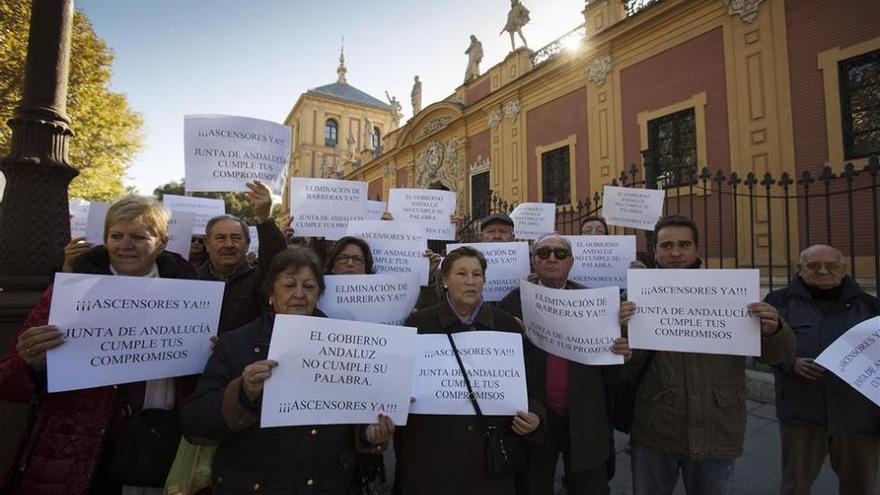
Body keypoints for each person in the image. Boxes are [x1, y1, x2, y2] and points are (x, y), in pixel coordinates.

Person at [0, 196, 199, 495]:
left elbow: (197, 382)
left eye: (138, 237)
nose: (124, 245)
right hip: (74, 446)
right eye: (116, 236)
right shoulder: (69, 290)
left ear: (161, 241)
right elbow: (8, 382)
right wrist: (29, 363)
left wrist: (207, 352)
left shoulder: (191, 296)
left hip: (157, 444)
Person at [181, 247, 393, 494]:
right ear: (271, 292)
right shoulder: (236, 344)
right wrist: (243, 392)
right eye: (289, 285)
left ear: (319, 294)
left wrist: (368, 433)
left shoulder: (344, 342)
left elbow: (354, 411)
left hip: (328, 484)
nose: (299, 294)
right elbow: (194, 424)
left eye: (309, 286)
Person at [621, 215, 795, 495]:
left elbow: (777, 356)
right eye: (666, 246)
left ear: (697, 248)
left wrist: (773, 330)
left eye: (683, 245)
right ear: (655, 251)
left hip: (718, 429)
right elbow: (621, 367)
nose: (675, 253)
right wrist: (621, 331)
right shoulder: (634, 298)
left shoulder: (733, 293)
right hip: (655, 427)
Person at [395, 246, 545, 495]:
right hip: (430, 457)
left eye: (477, 275)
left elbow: (532, 386)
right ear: (445, 281)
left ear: (484, 281)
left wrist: (536, 418)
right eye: (461, 274)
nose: (470, 281)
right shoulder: (419, 324)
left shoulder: (506, 325)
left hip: (489, 459)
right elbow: (399, 383)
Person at [499, 234, 630, 495]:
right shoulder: (512, 303)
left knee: (589, 488)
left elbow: (613, 376)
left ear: (571, 262)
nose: (551, 259)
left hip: (585, 419)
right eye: (543, 253)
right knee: (533, 486)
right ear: (533, 261)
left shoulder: (597, 303)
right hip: (536, 418)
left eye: (560, 254)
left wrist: (621, 354)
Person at [765, 244, 880, 495]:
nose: (823, 271)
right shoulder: (777, 302)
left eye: (831, 265)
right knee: (796, 484)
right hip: (801, 411)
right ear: (800, 269)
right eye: (813, 266)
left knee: (859, 486)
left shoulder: (870, 306)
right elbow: (761, 346)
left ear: (844, 269)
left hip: (859, 415)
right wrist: (789, 363)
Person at [199, 180, 286, 334]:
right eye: (220, 238)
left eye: (236, 238)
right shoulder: (190, 279)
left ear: (247, 244)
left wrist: (264, 217)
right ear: (207, 244)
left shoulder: (259, 280)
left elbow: (278, 260)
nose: (229, 244)